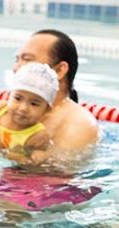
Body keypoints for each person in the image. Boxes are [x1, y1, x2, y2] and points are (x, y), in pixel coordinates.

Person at [10, 29, 98, 161]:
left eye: (27, 59)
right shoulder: (16, 107)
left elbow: (56, 171)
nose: (16, 68)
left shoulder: (79, 123)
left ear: (59, 70)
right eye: (17, 60)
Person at [0, 63, 58, 162]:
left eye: (34, 104)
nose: (23, 108)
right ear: (9, 95)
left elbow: (27, 162)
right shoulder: (0, 108)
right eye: (17, 98)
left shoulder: (37, 136)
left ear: (47, 110)